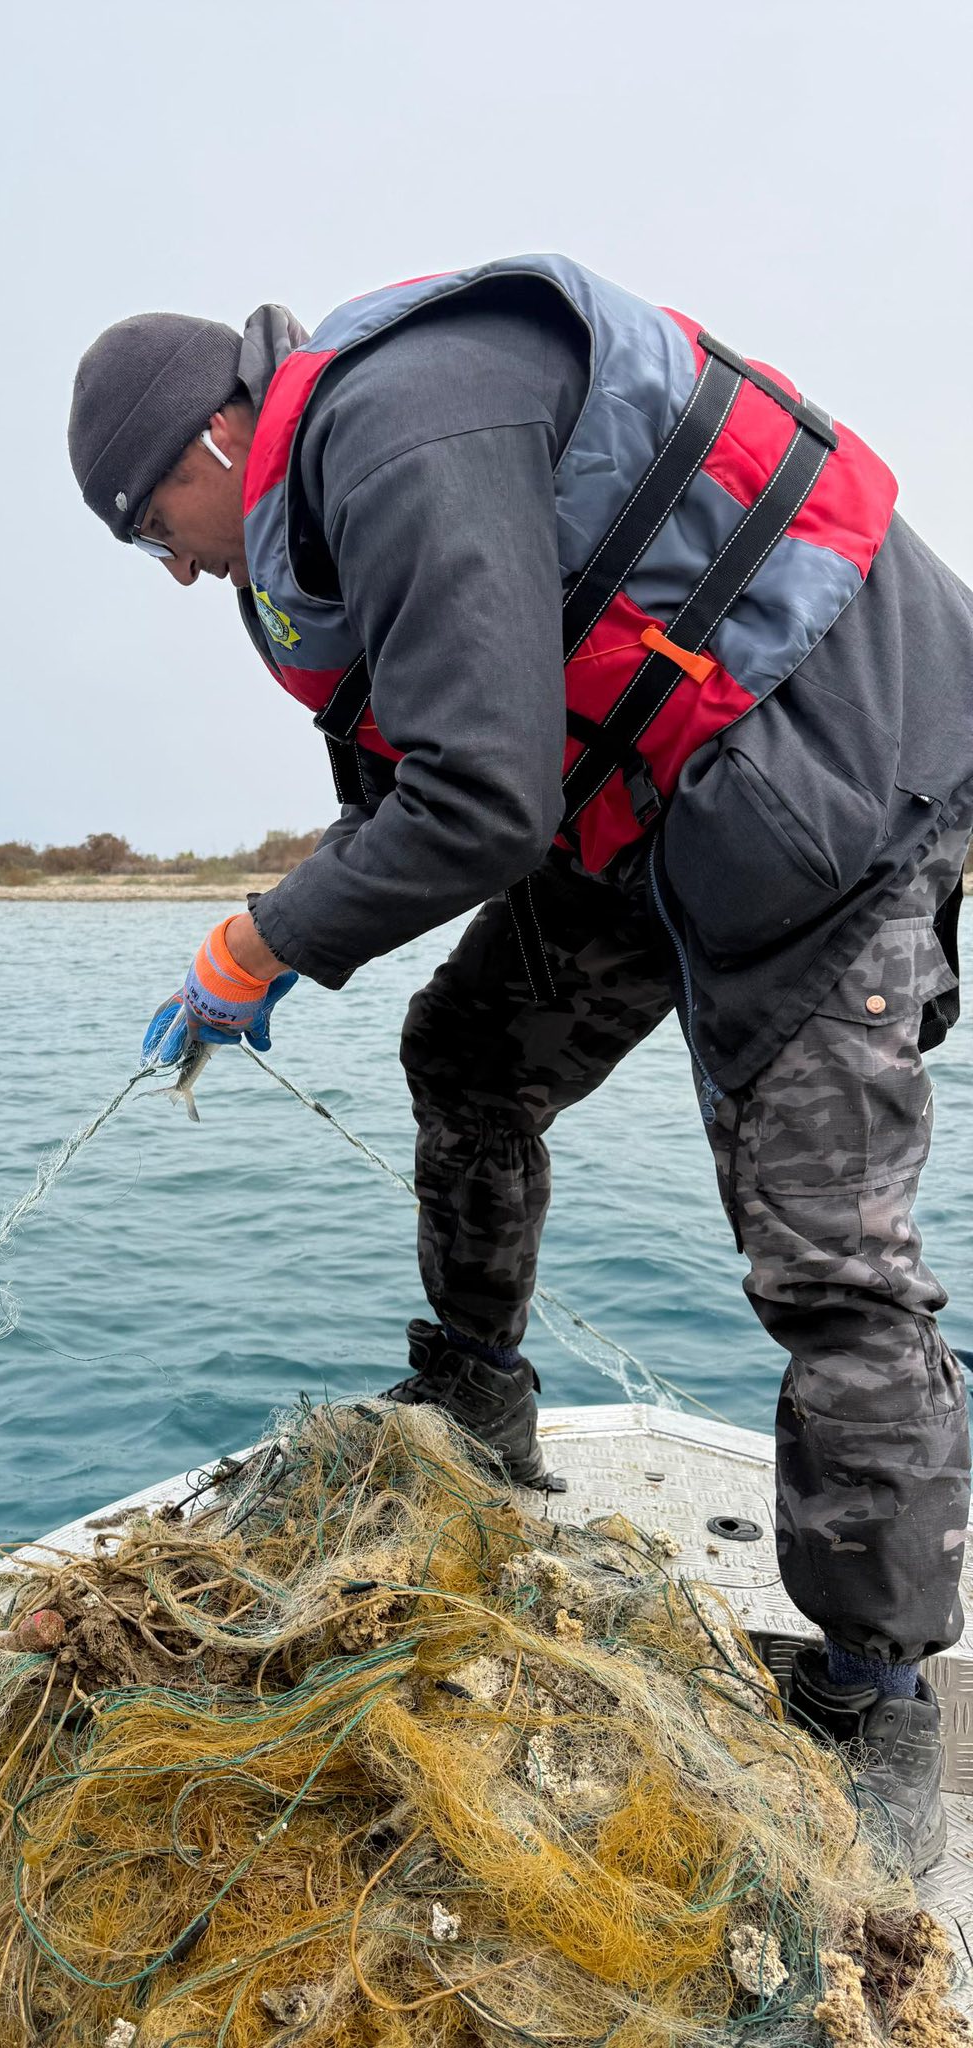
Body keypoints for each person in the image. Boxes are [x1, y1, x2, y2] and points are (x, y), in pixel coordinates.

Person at [66, 257, 973, 1874]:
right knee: (468, 1054)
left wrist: (255, 944)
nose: (176, 577)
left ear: (210, 443)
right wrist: (273, 942)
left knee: (827, 1260)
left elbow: (483, 804)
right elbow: (409, 792)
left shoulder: (399, 430)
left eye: (151, 535)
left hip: (837, 779)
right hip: (665, 803)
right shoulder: (319, 520)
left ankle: (877, 1692)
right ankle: (475, 1407)